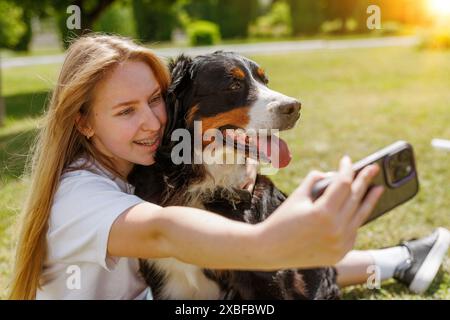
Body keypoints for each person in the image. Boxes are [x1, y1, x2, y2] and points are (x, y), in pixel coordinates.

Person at [8, 35, 449, 300]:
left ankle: (401, 258)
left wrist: (233, 159)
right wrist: (267, 239)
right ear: (82, 122)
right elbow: (162, 232)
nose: (152, 121)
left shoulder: (148, 164)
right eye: (126, 111)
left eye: (155, 100)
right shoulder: (77, 196)